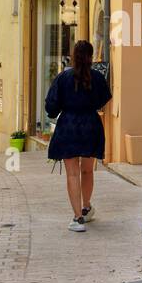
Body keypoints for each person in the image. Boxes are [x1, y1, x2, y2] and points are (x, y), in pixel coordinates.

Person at [44, 40, 112, 232]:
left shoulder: (63, 78)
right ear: (91, 56)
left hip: (68, 127)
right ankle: (87, 206)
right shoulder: (97, 77)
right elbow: (104, 99)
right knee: (87, 171)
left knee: (72, 173)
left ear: (73, 56)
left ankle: (77, 218)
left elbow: (51, 107)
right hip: (91, 125)